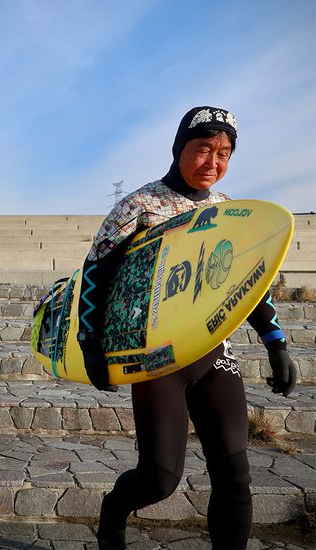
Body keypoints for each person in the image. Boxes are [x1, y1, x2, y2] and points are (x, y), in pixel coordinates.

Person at [75, 106, 299, 549]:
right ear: (179, 149)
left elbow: (250, 284)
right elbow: (95, 275)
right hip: (157, 356)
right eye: (202, 150)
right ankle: (114, 512)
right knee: (159, 479)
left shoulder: (231, 213)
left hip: (215, 354)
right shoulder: (140, 206)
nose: (212, 163)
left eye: (223, 153)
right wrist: (91, 345)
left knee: (235, 477)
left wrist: (275, 342)